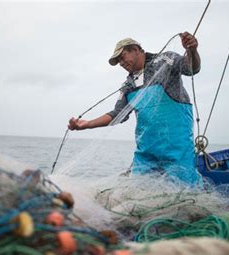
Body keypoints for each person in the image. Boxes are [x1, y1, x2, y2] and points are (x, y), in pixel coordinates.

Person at [68, 32, 201, 185]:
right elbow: (118, 114)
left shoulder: (165, 60)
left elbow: (191, 68)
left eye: (122, 57)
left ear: (136, 50)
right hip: (146, 152)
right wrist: (86, 124)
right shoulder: (128, 85)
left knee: (182, 188)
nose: (121, 63)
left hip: (176, 149)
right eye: (118, 61)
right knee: (135, 188)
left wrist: (192, 50)